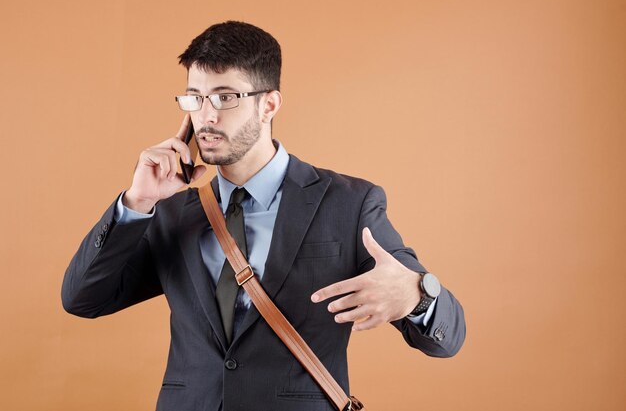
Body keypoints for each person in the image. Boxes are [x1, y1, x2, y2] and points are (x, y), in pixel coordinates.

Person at [62, 21, 466, 411]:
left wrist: (418, 295)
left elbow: (447, 338)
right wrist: (135, 203)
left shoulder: (348, 203)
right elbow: (83, 299)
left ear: (268, 104)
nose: (207, 116)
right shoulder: (168, 213)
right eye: (195, 98)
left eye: (224, 97)